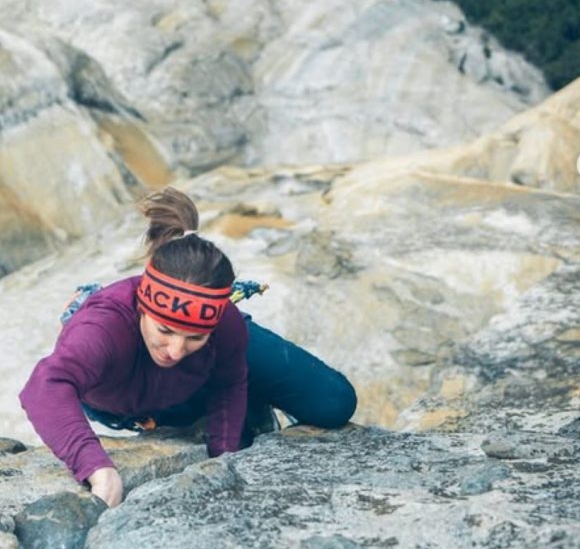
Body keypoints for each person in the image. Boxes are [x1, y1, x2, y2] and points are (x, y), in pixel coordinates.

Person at [19, 188, 356, 508]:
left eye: (193, 336)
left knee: (334, 402)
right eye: (165, 330)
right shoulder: (102, 329)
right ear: (143, 307)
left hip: (219, 345)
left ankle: (213, 331)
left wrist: (225, 457)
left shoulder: (225, 325)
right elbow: (43, 387)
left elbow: (229, 382)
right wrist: (97, 468)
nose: (176, 349)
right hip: (133, 396)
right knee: (180, 412)